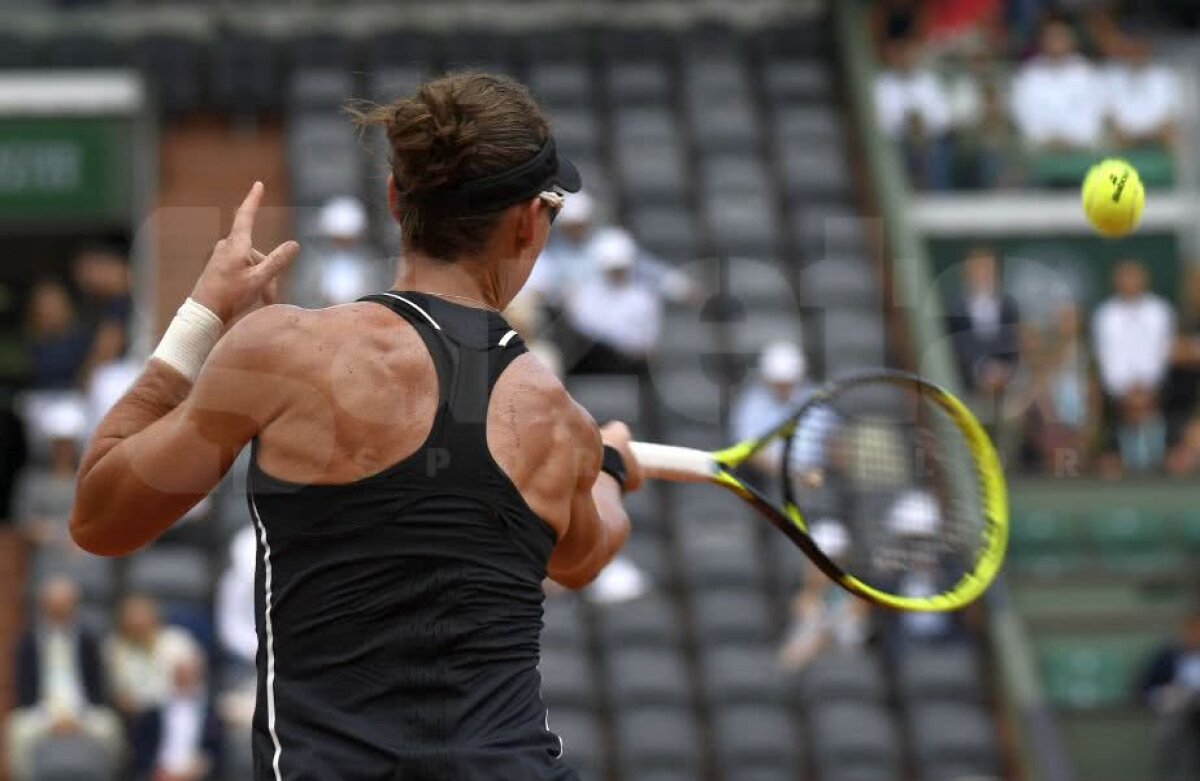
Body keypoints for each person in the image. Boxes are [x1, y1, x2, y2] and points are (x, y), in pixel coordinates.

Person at [71, 72, 643, 780]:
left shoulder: (281, 351)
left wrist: (200, 320)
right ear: (530, 222)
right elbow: (585, 554)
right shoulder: (562, 421)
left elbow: (101, 515)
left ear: (395, 198)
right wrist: (611, 468)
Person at [6, 577, 122, 781]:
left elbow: (98, 684)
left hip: (83, 710)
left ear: (74, 606)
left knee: (110, 728)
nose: (58, 610)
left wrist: (77, 715)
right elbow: (23, 688)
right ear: (43, 607)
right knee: (17, 730)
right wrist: (51, 717)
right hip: (42, 711)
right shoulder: (28, 642)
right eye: (53, 606)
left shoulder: (88, 641)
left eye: (63, 605)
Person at [1092, 260, 1174, 475]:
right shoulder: (1105, 315)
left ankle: (1158, 463)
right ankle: (1120, 461)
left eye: (1134, 277)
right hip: (1117, 397)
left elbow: (1162, 354)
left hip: (1156, 392)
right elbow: (1107, 360)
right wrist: (1125, 392)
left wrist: (1147, 389)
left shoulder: (1160, 311)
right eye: (1125, 277)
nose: (1130, 283)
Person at [107, 596, 203, 777]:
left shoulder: (178, 641)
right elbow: (124, 699)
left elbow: (192, 683)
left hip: (178, 710)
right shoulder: (115, 650)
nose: (138, 624)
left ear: (155, 617)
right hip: (142, 723)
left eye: (142, 617)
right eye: (132, 620)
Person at [565, 226, 663, 376]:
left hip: (629, 364)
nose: (617, 273)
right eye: (613, 268)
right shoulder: (587, 293)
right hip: (593, 362)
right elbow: (583, 327)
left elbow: (648, 341)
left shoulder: (643, 297)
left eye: (621, 268)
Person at [778, 520, 869, 672]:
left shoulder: (858, 602)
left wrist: (820, 640)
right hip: (808, 681)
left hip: (845, 677)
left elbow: (851, 645)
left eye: (831, 562)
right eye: (814, 561)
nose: (818, 568)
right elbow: (787, 661)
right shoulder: (802, 602)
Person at [944, 247, 1020, 427]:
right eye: (978, 268)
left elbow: (1013, 345)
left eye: (987, 268)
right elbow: (955, 349)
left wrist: (1003, 374)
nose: (983, 274)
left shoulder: (1009, 306)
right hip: (967, 391)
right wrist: (980, 374)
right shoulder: (954, 309)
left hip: (1004, 392)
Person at [1010, 20, 1105, 152]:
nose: (1055, 42)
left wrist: (1072, 139)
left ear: (1071, 41)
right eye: (1050, 38)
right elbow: (1022, 113)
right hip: (1039, 144)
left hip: (1080, 143)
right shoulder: (1029, 74)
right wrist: (1046, 139)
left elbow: (1094, 112)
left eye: (1060, 37)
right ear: (1041, 42)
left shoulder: (1087, 73)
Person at [873, 36, 953, 190]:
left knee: (936, 151)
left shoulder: (928, 81)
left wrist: (924, 125)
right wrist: (906, 124)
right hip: (897, 141)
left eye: (907, 53)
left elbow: (944, 117)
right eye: (899, 54)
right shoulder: (882, 83)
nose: (904, 58)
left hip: (929, 139)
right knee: (900, 152)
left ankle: (939, 197)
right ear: (891, 57)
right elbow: (880, 121)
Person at [13, 396, 87, 552]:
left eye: (68, 444)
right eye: (58, 444)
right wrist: (55, 536)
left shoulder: (90, 480)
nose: (63, 450)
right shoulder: (32, 480)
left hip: (87, 559)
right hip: (46, 558)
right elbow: (23, 521)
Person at [290, 195, 390, 309]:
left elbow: (377, 292)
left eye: (348, 239)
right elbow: (304, 294)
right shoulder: (313, 263)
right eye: (339, 238)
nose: (344, 244)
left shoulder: (370, 261)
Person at [731, 341, 813, 476]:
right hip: (766, 483)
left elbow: (829, 443)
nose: (783, 388)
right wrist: (792, 475)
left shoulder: (813, 398)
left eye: (788, 383)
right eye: (778, 383)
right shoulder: (750, 405)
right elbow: (748, 451)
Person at [1137, 610, 1200, 781]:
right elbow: (1142, 688)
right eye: (1193, 630)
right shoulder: (1167, 656)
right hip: (1176, 709)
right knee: (1171, 728)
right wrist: (1163, 695)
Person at [1104, 39, 1180, 150]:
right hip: (1124, 138)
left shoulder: (1165, 77)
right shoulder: (1112, 77)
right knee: (1110, 135)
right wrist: (1129, 135)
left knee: (1172, 134)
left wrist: (1149, 135)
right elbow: (1109, 116)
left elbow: (1171, 116)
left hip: (1158, 136)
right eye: (1131, 50)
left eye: (1139, 50)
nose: (1135, 55)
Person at [25, 279, 92, 391]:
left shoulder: (80, 338)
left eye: (53, 304)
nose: (49, 310)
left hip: (73, 396)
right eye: (44, 304)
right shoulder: (35, 339)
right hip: (41, 396)